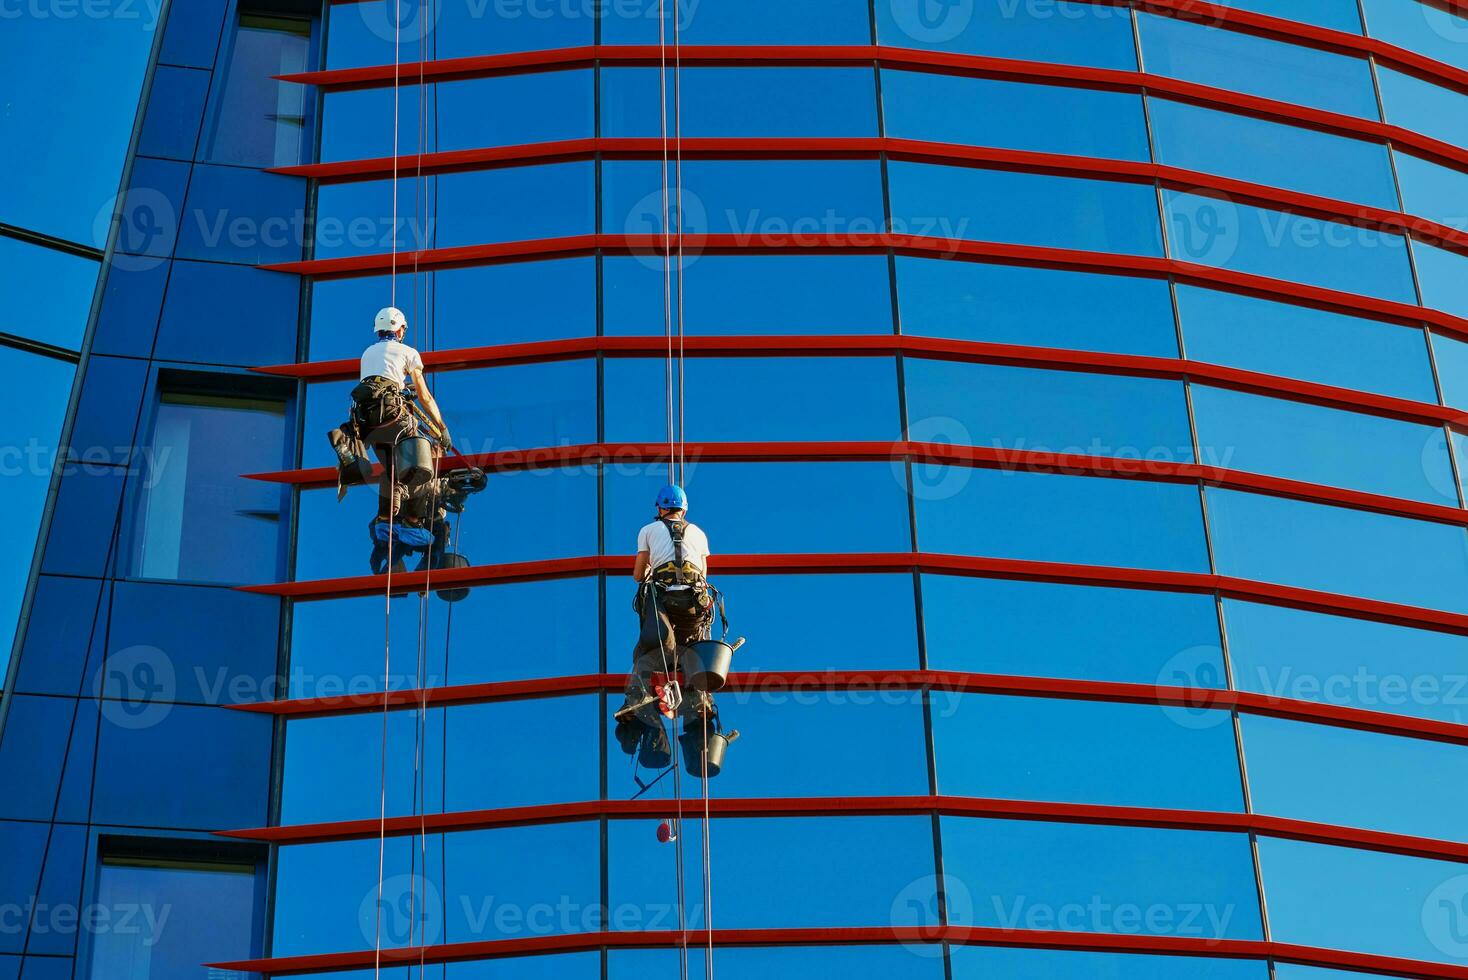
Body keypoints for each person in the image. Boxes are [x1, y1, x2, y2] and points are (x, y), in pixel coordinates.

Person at [614, 484, 717, 768]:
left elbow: (638, 575)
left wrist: (653, 569)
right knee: (692, 652)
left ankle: (635, 699)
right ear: (683, 510)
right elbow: (704, 577)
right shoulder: (698, 533)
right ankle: (699, 704)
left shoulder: (648, 530)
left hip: (663, 599)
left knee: (647, 651)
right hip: (694, 603)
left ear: (660, 509)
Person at [328, 307, 453, 521]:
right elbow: (425, 397)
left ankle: (385, 518)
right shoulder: (408, 352)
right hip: (394, 417)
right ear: (401, 329)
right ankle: (413, 520)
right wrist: (441, 428)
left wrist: (403, 390)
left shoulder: (367, 353)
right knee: (422, 459)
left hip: (367, 422)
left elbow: (381, 379)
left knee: (392, 468)